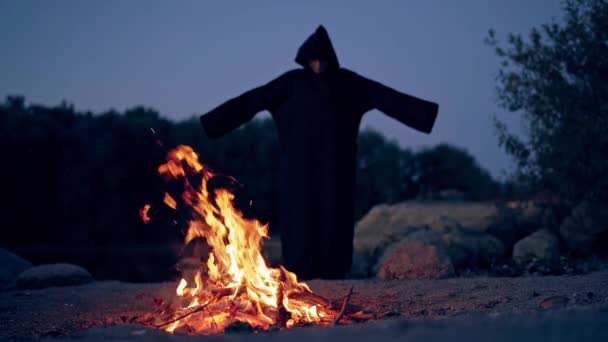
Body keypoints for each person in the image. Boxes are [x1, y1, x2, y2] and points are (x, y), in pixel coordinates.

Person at [200, 25, 439, 279]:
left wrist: (425, 115)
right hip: (297, 167)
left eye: (322, 60)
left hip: (337, 167)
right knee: (299, 217)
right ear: (305, 59)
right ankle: (298, 273)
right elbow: (252, 101)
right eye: (313, 60)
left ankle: (334, 271)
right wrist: (214, 123)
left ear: (330, 59)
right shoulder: (290, 84)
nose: (317, 65)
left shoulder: (348, 83)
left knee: (334, 215)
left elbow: (387, 98)